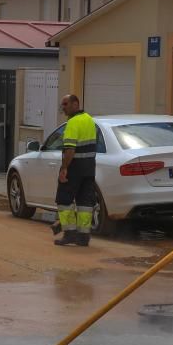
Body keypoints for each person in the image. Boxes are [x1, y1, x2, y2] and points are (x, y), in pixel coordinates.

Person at [53, 94, 97, 247]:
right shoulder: (89, 120)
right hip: (89, 168)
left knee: (64, 200)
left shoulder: (72, 123)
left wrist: (64, 168)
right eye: (62, 104)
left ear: (75, 104)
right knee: (85, 202)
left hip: (75, 168)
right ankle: (84, 236)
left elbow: (70, 150)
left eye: (65, 104)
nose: (63, 107)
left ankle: (70, 233)